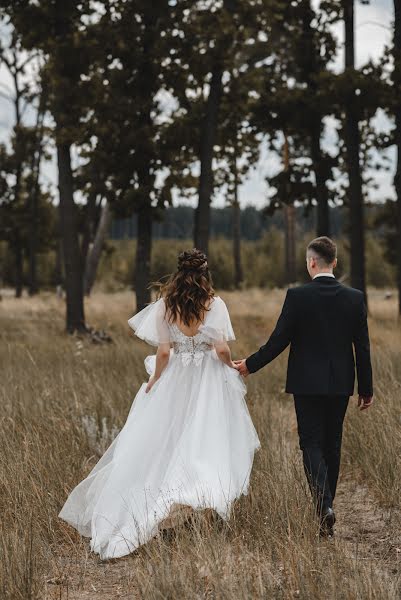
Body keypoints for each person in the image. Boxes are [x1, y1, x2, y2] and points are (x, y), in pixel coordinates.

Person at [59, 249, 260, 559]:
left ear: (178, 273)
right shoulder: (215, 304)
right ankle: (194, 501)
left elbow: (164, 353)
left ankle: (163, 505)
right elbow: (221, 347)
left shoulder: (166, 306)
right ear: (205, 275)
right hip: (206, 379)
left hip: (177, 377)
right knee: (204, 439)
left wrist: (155, 381)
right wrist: (231, 364)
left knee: (166, 440)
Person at [235, 236, 373, 537]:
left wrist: (250, 364)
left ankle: (323, 505)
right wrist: (367, 389)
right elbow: (362, 347)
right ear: (334, 262)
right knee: (332, 443)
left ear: (311, 262)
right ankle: (327, 506)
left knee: (310, 442)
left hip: (306, 383)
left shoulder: (297, 296)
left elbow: (279, 340)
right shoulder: (354, 298)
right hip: (340, 383)